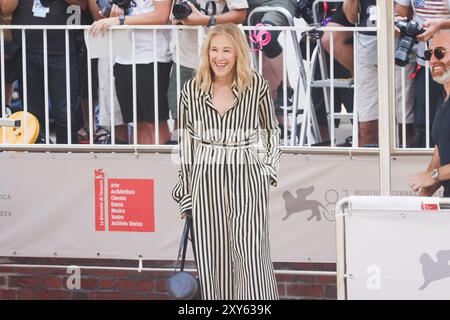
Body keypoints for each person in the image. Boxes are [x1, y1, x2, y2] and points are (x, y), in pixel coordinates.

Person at [172, 23, 280, 300]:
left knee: (252, 258)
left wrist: (268, 168)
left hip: (248, 177)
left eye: (226, 51)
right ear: (206, 53)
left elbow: (270, 130)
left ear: (237, 54)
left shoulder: (255, 85)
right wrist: (185, 195)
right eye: (214, 50)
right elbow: (186, 144)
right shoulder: (191, 90)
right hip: (205, 181)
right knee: (213, 260)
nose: (219, 57)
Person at [90, 0, 173, 145]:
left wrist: (120, 20)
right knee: (137, 123)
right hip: (123, 56)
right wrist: (114, 15)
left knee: (155, 123)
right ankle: (142, 166)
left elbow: (162, 16)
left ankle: (159, 166)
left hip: (152, 55)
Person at [4, 0, 85, 144]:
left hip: (62, 50)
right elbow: (5, 8)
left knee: (65, 114)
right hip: (27, 49)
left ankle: (69, 160)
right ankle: (36, 159)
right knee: (32, 115)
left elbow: (80, 4)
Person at [167, 0, 248, 134]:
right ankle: (183, 152)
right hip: (184, 57)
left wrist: (206, 20)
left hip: (218, 59)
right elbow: (173, 15)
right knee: (181, 115)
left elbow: (240, 14)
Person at [345, 0, 415, 147]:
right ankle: (366, 169)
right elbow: (351, 17)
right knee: (368, 125)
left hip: (400, 49)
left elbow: (401, 15)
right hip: (366, 50)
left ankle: (407, 167)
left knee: (405, 122)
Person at [395, 0, 450, 148]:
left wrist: (441, 25)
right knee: (425, 127)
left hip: (447, 61)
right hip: (426, 63)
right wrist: (398, 23)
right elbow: (401, 12)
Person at [409, 29, 450, 197]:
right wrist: (422, 197)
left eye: (439, 53)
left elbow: (434, 173)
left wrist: (433, 176)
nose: (433, 61)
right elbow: (439, 155)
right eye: (428, 54)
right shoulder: (443, 99)